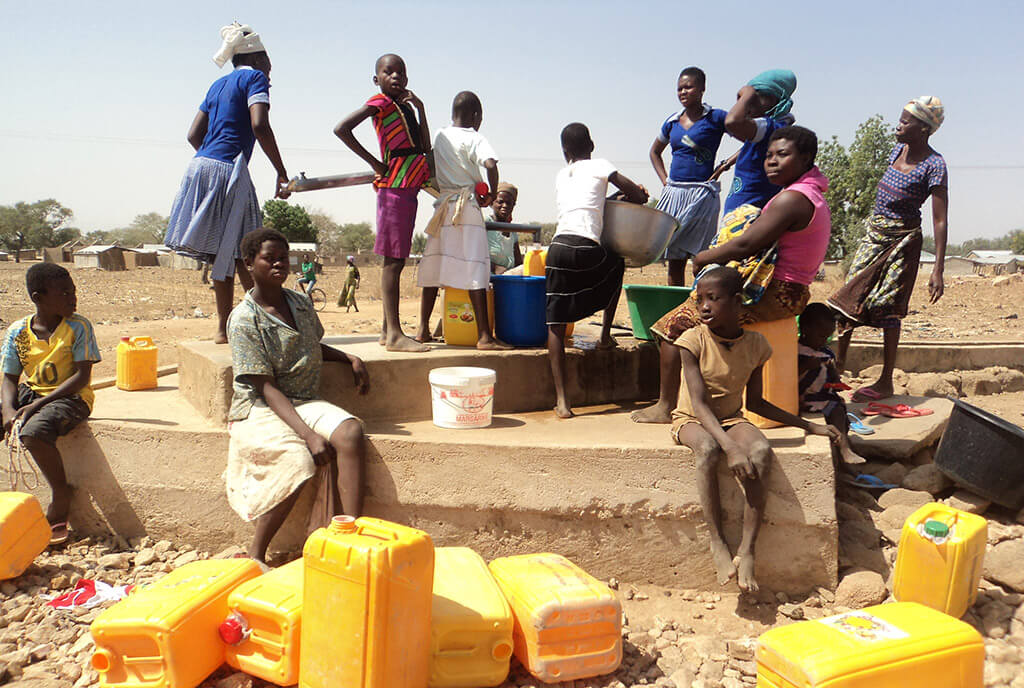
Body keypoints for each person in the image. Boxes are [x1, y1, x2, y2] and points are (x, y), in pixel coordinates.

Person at [633, 126, 830, 424]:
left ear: (806, 158)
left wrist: (704, 257)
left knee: (671, 329)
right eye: (769, 156)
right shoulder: (810, 194)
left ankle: (665, 406)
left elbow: (747, 244)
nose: (772, 161)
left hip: (774, 293)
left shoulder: (793, 199)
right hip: (791, 292)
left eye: (783, 155)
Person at [671, 267, 839, 592]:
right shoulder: (691, 342)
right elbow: (700, 405)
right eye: (699, 299)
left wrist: (807, 426)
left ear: (736, 302)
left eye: (713, 299)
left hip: (731, 419)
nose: (703, 306)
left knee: (761, 451)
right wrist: (731, 448)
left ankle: (747, 549)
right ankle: (717, 541)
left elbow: (758, 403)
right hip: (692, 419)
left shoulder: (756, 345)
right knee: (707, 449)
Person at [225, 229, 370, 565]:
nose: (278, 263)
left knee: (350, 432)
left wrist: (348, 358)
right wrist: (308, 436)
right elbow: (265, 385)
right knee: (298, 460)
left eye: (282, 257)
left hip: (302, 399)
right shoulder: (245, 319)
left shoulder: (299, 302)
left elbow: (307, 345)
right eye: (268, 258)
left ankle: (349, 536)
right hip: (260, 406)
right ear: (249, 264)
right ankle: (257, 553)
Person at [165, 23, 290, 344]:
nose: (271, 76)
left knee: (227, 253)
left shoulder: (217, 85)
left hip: (200, 166)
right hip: (229, 170)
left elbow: (193, 135)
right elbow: (259, 124)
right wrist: (281, 170)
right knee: (249, 250)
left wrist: (212, 162)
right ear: (260, 59)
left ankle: (224, 329)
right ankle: (267, 320)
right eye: (270, 67)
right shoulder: (255, 78)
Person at [828, 97, 948, 401]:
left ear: (923, 129)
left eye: (906, 122)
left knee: (888, 307)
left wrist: (938, 269)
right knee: (848, 298)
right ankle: (837, 371)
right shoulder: (898, 150)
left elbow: (940, 219)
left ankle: (885, 381)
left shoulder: (935, 165)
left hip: (903, 241)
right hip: (874, 235)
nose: (899, 125)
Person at [548, 123, 648, 418]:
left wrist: (613, 199)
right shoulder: (601, 165)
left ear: (565, 151)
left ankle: (563, 402)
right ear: (591, 145)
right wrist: (633, 193)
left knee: (554, 323)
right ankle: (605, 335)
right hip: (586, 245)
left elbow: (587, 203)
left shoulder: (561, 174)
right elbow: (638, 196)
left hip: (557, 248)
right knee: (615, 264)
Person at [334, 54, 431, 353]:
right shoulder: (380, 103)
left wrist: (421, 109)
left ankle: (386, 330)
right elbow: (342, 129)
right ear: (377, 79)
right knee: (393, 262)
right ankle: (395, 336)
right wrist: (375, 162)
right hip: (394, 187)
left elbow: (425, 147)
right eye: (388, 72)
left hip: (409, 187)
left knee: (397, 260)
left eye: (401, 72)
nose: (396, 77)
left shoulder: (404, 107)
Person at [1, 264, 101, 546]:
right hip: (30, 392)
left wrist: (39, 404)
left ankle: (61, 491)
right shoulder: (19, 331)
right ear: (38, 297)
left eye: (74, 292)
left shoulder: (78, 326)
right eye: (64, 293)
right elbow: (9, 377)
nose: (73, 298)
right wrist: (9, 410)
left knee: (33, 431)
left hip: (71, 396)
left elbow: (83, 376)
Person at [416, 91, 507, 350]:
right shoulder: (474, 137)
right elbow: (490, 164)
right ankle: (484, 336)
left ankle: (422, 329)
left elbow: (431, 166)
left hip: (443, 207)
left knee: (434, 265)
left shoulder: (440, 135)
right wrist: (490, 193)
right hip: (466, 207)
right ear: (476, 116)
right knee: (475, 268)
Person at [650, 67, 730, 286]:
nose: (683, 92)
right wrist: (665, 181)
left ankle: (700, 306)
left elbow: (750, 139)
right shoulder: (672, 122)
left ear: (702, 89)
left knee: (701, 259)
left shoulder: (716, 117)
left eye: (688, 87)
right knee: (674, 258)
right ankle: (676, 312)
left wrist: (725, 164)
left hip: (702, 193)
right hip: (675, 193)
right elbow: (654, 152)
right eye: (679, 89)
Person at [797, 303, 867, 468]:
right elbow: (788, 375)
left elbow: (833, 377)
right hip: (806, 398)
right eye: (821, 336)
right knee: (835, 409)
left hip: (823, 395)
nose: (823, 341)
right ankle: (844, 449)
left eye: (827, 337)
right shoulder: (796, 351)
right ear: (805, 329)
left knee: (841, 410)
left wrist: (835, 380)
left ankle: (844, 446)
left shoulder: (826, 352)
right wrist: (806, 366)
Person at [721, 69, 799, 216]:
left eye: (756, 99)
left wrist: (747, 93)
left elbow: (732, 121)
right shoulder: (773, 130)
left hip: (745, 222)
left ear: (775, 101)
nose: (749, 105)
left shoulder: (768, 127)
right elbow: (750, 147)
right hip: (739, 219)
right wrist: (726, 164)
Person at [487, 182, 523, 274]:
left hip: (507, 281)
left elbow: (519, 263)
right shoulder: (485, 224)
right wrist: (494, 267)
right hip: (487, 279)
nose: (505, 206)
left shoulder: (512, 231)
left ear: (513, 205)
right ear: (492, 203)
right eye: (500, 202)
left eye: (508, 203)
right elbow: (474, 256)